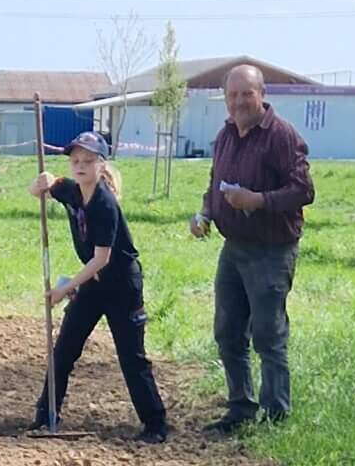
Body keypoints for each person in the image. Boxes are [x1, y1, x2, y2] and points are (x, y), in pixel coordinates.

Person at [189, 63, 314, 432]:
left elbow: (304, 191)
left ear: (262, 95)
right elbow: (216, 183)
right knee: (228, 331)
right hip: (234, 248)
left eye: (247, 94)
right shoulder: (226, 134)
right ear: (225, 98)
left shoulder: (281, 135)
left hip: (272, 250)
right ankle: (240, 408)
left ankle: (276, 417)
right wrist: (205, 213)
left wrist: (257, 200)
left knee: (268, 335)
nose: (240, 101)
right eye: (233, 95)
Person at [30, 132, 169, 442]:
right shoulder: (72, 191)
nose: (80, 166)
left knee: (131, 356)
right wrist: (42, 182)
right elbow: (41, 189)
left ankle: (156, 424)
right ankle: (46, 413)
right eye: (76, 160)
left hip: (121, 284)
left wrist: (64, 290)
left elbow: (101, 259)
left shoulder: (104, 203)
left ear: (101, 164)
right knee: (64, 349)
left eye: (88, 161)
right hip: (92, 285)